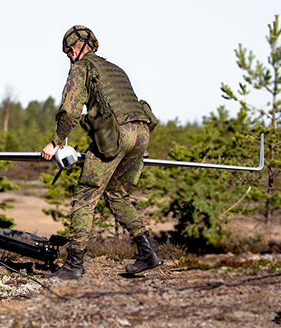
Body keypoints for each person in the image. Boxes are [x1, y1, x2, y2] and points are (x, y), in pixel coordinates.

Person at [41, 25, 163, 280]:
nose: (69, 57)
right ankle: (148, 252)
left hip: (117, 134)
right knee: (117, 195)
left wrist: (55, 141)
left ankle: (74, 266)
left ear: (74, 48)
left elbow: (71, 110)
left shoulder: (81, 67)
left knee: (86, 195)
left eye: (68, 52)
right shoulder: (116, 69)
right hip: (142, 134)